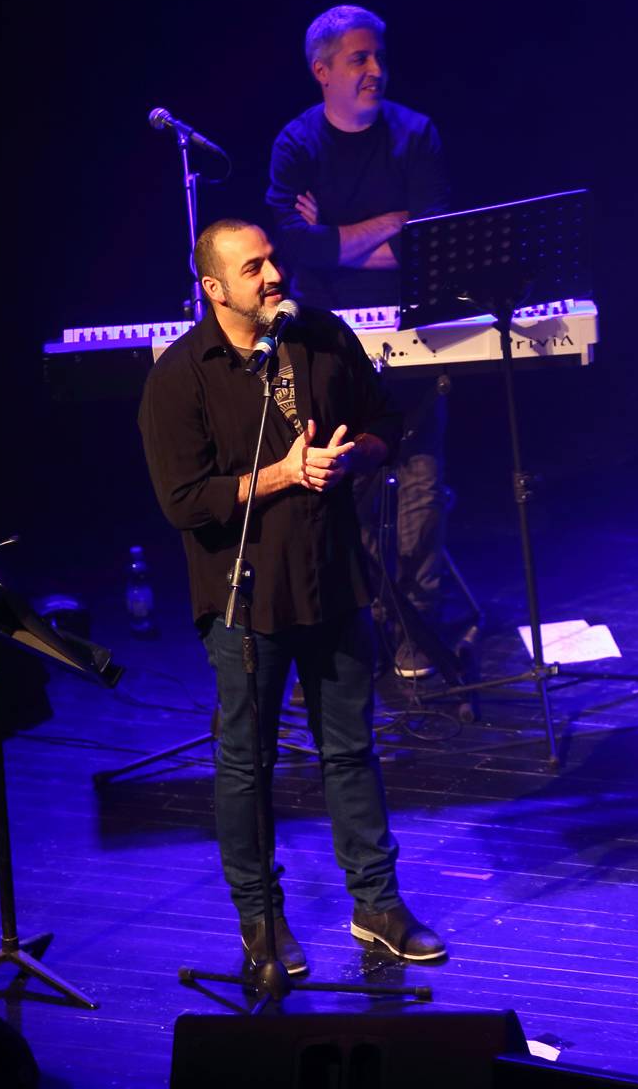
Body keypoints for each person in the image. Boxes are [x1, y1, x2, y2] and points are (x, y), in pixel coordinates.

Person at [138, 219, 446, 968]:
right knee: (247, 763)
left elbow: (385, 421)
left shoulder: (322, 335)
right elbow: (184, 501)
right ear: (214, 289)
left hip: (334, 579)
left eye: (272, 259)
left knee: (351, 748)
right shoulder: (180, 377)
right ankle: (261, 920)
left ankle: (377, 903)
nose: (274, 274)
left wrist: (355, 457)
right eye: (253, 268)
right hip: (248, 600)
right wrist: (284, 473)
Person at [266, 4, 452, 680]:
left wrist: (338, 241)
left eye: (378, 56)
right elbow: (295, 248)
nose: (376, 70)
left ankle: (416, 634)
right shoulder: (296, 144)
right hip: (327, 340)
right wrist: (389, 224)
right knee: (340, 492)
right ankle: (356, 631)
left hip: (413, 329)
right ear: (322, 71)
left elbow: (431, 243)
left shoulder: (415, 134)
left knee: (420, 487)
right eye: (359, 59)